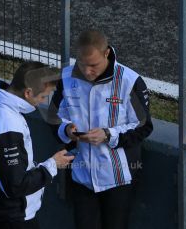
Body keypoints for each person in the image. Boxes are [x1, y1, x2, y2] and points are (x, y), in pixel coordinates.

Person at [47, 29, 153, 229]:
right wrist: (66, 130)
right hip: (81, 174)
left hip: (120, 178)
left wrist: (108, 134)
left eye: (93, 65)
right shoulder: (66, 77)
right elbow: (54, 117)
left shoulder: (130, 81)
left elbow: (144, 126)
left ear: (107, 54)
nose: (87, 71)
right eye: (82, 63)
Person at [0, 61, 74, 229]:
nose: (42, 102)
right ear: (28, 92)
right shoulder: (8, 124)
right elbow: (16, 186)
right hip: (14, 215)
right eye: (42, 97)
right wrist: (53, 164)